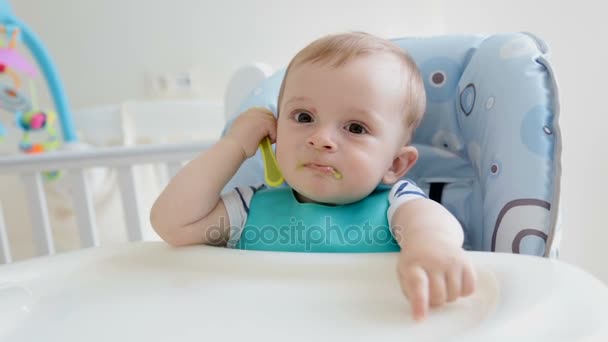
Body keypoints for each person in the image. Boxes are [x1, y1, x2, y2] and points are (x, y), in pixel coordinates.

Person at [150, 32, 476, 321]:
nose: (321, 138)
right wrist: (234, 145)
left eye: (355, 128)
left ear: (395, 165)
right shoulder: (249, 209)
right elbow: (173, 223)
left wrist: (432, 249)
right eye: (303, 117)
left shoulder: (395, 208)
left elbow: (432, 225)